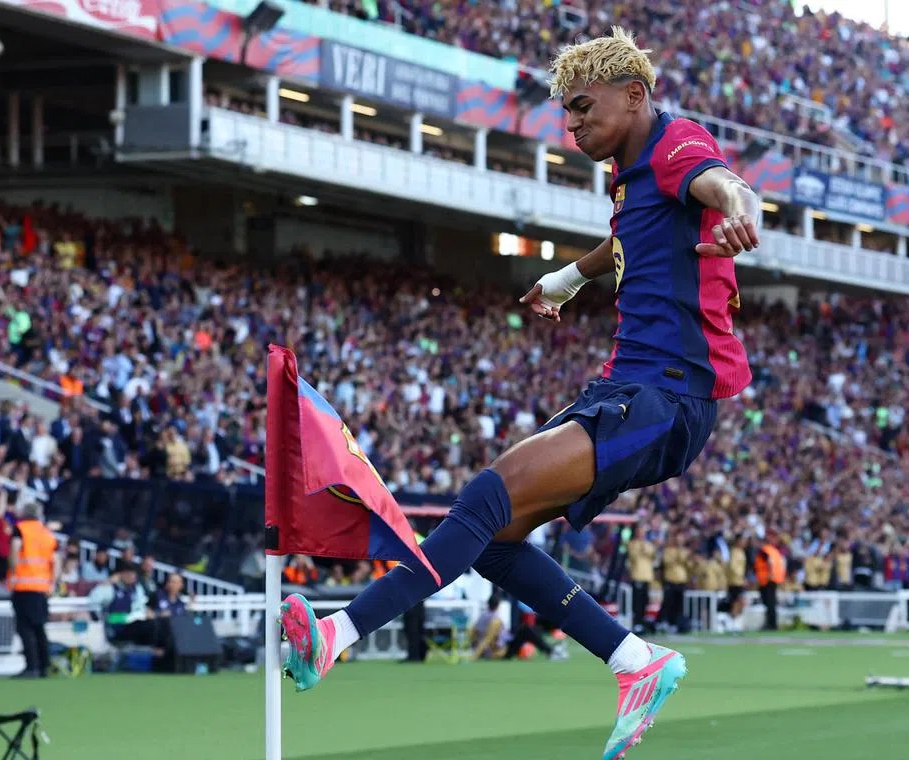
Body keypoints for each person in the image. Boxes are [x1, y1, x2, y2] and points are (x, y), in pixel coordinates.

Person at [278, 26, 759, 760]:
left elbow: (722, 183)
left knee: (483, 499)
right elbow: (629, 242)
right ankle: (636, 662)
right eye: (566, 114)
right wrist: (570, 277)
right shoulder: (634, 177)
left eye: (583, 109)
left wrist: (742, 211)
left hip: (666, 396)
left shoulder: (675, 144)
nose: (572, 127)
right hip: (633, 387)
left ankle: (338, 634)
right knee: (495, 540)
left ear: (635, 97)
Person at [8, 503, 59, 678]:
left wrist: (13, 572)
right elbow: (56, 560)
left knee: (25, 628)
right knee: (39, 627)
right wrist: (53, 582)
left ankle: (31, 667)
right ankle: (45, 666)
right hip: (42, 587)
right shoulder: (47, 534)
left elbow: (15, 549)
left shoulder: (20, 529)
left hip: (23, 586)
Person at [626, 524, 656, 633]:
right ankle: (636, 623)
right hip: (637, 575)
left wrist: (645, 546)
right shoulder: (632, 544)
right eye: (639, 531)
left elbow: (653, 555)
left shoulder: (649, 544)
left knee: (644, 601)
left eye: (643, 531)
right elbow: (633, 556)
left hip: (647, 577)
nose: (641, 533)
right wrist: (641, 546)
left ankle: (642, 622)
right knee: (637, 602)